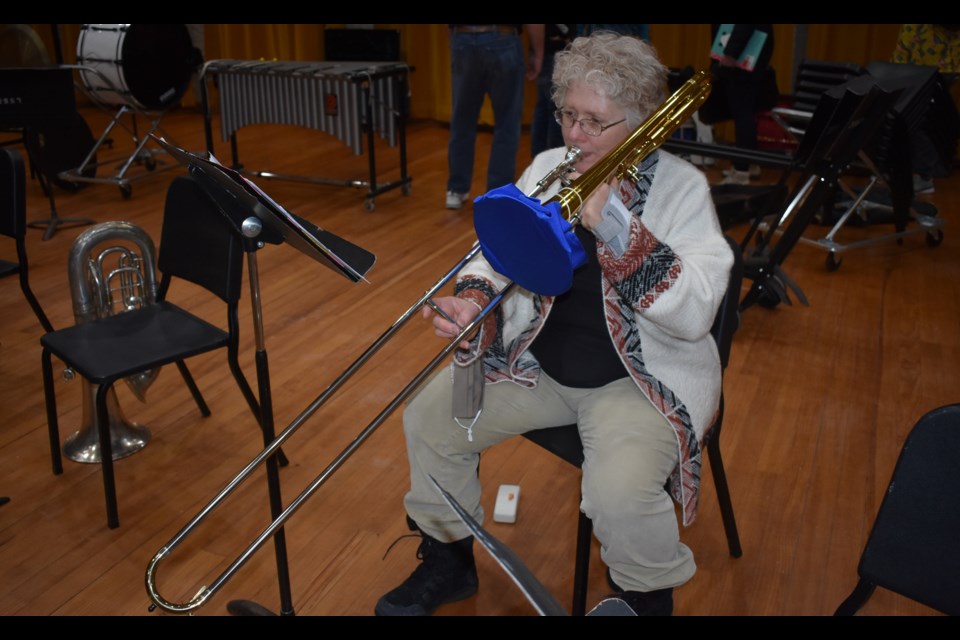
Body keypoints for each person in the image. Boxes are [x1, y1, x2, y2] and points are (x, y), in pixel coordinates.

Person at [375, 31, 734, 617]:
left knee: (617, 495)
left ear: (642, 122)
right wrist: (473, 302)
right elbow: (494, 257)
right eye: (567, 114)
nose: (573, 135)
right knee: (430, 418)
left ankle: (646, 599)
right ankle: (449, 561)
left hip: (638, 382)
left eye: (594, 120)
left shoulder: (682, 189)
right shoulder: (550, 166)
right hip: (535, 364)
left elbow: (696, 314)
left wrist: (618, 227)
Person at [445, 24, 544, 209]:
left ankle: (456, 190)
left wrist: (456, 38)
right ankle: (497, 194)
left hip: (463, 37)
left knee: (462, 120)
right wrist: (538, 53)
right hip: (503, 37)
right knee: (507, 123)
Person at [709, 24, 775, 185]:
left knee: (743, 114)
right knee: (746, 113)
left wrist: (730, 54)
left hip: (741, 59)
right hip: (746, 55)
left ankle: (741, 172)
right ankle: (750, 164)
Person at [530, 24, 574, 158]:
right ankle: (552, 159)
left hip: (548, 53)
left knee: (545, 108)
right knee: (557, 110)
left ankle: (540, 159)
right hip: (556, 52)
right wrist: (567, 36)